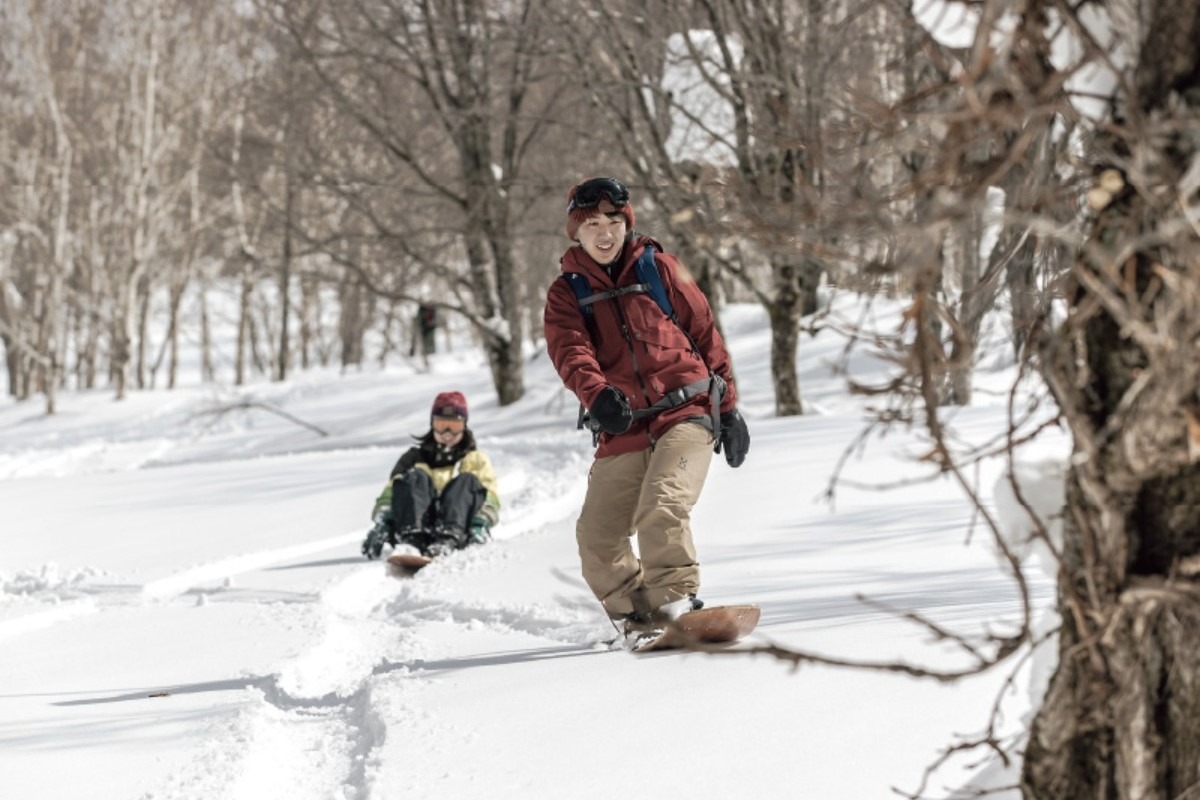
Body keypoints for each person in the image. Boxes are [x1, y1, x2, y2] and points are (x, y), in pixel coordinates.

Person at [543, 176, 750, 635]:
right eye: (592, 223)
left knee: (663, 504)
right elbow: (570, 351)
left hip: (686, 412)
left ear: (626, 222)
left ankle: (676, 601)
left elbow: (705, 333)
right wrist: (597, 395)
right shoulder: (566, 293)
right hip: (623, 423)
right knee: (597, 538)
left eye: (614, 221)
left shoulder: (661, 268)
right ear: (575, 231)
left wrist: (729, 410)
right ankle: (639, 615)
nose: (605, 232)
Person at [361, 391, 500, 559]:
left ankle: (448, 539)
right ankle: (413, 540)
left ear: (464, 427)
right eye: (442, 426)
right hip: (413, 526)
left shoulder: (475, 460)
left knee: (467, 481)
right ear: (432, 425)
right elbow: (392, 492)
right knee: (414, 477)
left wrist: (481, 522)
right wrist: (383, 519)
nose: (447, 433)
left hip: (458, 530)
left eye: (454, 426)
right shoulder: (413, 458)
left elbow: (489, 495)